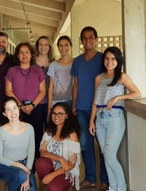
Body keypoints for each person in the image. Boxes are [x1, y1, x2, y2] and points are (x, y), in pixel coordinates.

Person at [89, 47, 141, 191]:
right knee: (105, 156)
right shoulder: (98, 78)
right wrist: (91, 121)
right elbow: (95, 101)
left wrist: (118, 97)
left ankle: (121, 188)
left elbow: (137, 93)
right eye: (107, 58)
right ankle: (113, 188)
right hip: (99, 118)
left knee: (110, 156)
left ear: (118, 60)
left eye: (113, 58)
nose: (109, 61)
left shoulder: (121, 76)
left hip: (115, 118)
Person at [70, 26, 109, 190]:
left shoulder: (103, 59)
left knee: (101, 145)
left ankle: (105, 180)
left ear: (96, 39)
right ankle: (91, 178)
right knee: (85, 145)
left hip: (99, 109)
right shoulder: (77, 61)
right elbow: (76, 84)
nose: (87, 41)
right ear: (81, 41)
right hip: (82, 109)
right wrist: (73, 105)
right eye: (84, 38)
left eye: (90, 37)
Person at [5, 42, 46, 159]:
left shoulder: (38, 70)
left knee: (36, 136)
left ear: (31, 55)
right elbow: (8, 91)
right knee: (19, 136)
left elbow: (42, 91)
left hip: (36, 108)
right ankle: (21, 161)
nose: (24, 55)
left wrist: (32, 105)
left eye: (27, 52)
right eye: (21, 52)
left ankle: (35, 164)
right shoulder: (12, 71)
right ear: (17, 55)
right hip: (17, 110)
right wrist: (19, 106)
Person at [35, 102, 81, 191]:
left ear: (66, 115)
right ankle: (50, 186)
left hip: (67, 171)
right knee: (40, 163)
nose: (56, 117)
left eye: (60, 114)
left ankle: (59, 185)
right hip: (51, 166)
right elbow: (42, 152)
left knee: (53, 188)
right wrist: (60, 159)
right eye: (54, 113)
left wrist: (51, 175)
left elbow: (71, 165)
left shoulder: (72, 135)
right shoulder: (49, 131)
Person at [0, 96, 37, 191]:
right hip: (6, 165)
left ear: (19, 108)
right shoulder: (0, 131)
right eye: (8, 110)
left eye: (14, 107)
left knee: (31, 188)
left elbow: (31, 153)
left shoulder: (30, 128)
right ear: (4, 114)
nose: (13, 112)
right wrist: (20, 166)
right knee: (20, 176)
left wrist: (27, 172)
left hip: (26, 164)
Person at [47, 36, 73, 116]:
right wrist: (49, 110)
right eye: (60, 45)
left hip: (71, 103)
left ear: (70, 47)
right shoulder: (53, 65)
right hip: (56, 104)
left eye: (66, 45)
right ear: (58, 47)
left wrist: (74, 105)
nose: (63, 48)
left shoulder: (76, 63)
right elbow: (51, 88)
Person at [35, 36, 53, 127]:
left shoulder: (54, 63)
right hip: (35, 100)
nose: (43, 47)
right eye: (40, 44)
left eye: (46, 44)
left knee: (49, 128)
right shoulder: (31, 62)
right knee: (36, 129)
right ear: (37, 46)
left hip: (50, 100)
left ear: (49, 47)